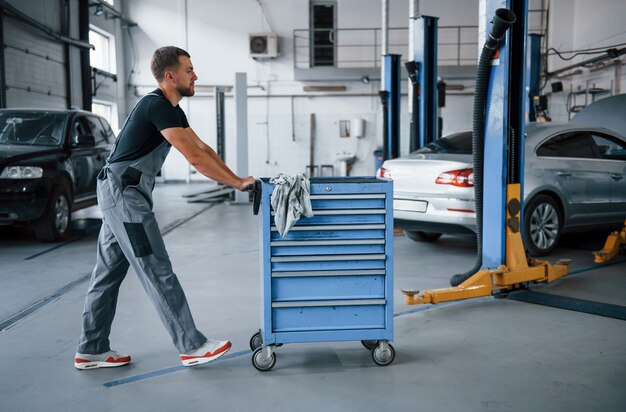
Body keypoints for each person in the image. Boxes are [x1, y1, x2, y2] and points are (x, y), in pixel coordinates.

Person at [74, 46, 255, 370]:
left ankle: (91, 348)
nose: (195, 75)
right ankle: (192, 345)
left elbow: (202, 147)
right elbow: (195, 158)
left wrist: (238, 179)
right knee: (156, 266)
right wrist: (237, 184)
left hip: (121, 194)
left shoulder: (170, 110)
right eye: (189, 70)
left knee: (108, 273)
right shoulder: (156, 106)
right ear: (170, 76)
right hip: (124, 197)